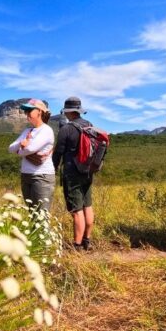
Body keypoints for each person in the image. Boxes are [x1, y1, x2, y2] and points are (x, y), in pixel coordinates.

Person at [52, 96, 94, 250]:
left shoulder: (66, 129)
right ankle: (87, 241)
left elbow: (58, 153)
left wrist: (53, 168)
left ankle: (77, 246)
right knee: (87, 205)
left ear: (68, 111)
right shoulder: (89, 125)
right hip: (88, 171)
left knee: (76, 210)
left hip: (72, 173)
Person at [8, 99, 56, 212]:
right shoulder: (27, 131)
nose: (27, 113)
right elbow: (10, 148)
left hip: (41, 177)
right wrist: (21, 144)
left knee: (41, 216)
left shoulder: (46, 130)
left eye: (30, 110)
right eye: (26, 111)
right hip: (26, 175)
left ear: (39, 111)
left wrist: (20, 150)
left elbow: (29, 149)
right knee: (32, 214)